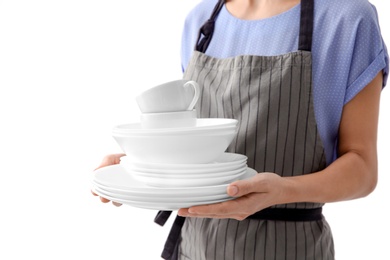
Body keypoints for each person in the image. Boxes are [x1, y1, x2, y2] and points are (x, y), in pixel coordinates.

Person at [92, 0, 389, 259]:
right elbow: (196, 143)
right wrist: (140, 164)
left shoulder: (349, 18)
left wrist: (283, 190)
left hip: (289, 248)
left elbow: (362, 168)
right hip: (194, 246)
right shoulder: (201, 19)